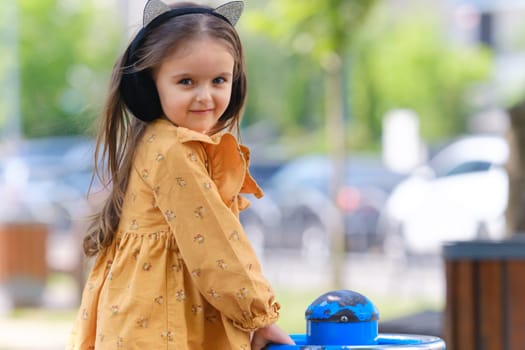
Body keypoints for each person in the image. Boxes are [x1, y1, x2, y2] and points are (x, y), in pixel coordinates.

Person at [67, 0, 295, 349]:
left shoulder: (154, 138)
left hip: (138, 323)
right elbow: (217, 244)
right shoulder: (174, 149)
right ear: (151, 84)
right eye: (186, 81)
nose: (205, 96)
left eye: (219, 80)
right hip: (166, 327)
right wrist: (260, 317)